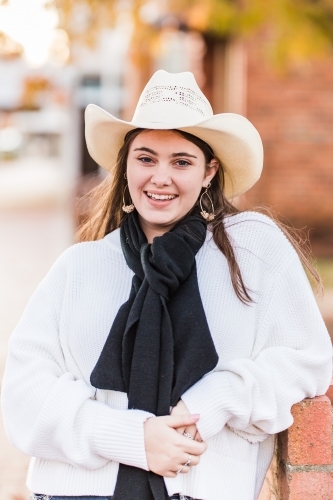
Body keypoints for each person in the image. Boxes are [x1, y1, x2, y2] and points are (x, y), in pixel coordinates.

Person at [1, 70, 332, 500]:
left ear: (209, 171)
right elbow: (25, 394)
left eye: (181, 161)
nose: (160, 177)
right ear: (125, 164)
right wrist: (132, 437)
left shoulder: (251, 251)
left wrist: (214, 401)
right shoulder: (79, 267)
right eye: (145, 158)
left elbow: (309, 360)